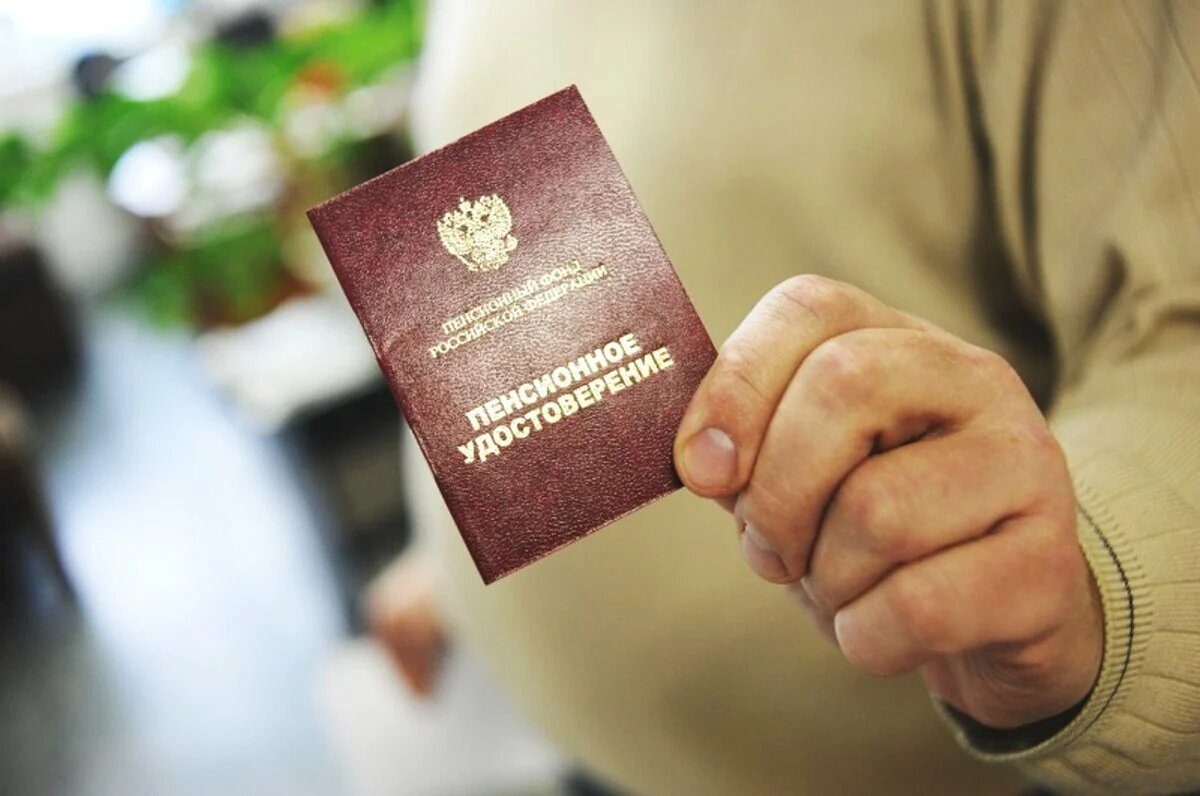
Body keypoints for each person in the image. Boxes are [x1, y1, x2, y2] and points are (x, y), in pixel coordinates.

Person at [368, 2, 1200, 793]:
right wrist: (444, 545)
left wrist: (1091, 595)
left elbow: (1178, 325)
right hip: (573, 751)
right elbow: (507, 269)